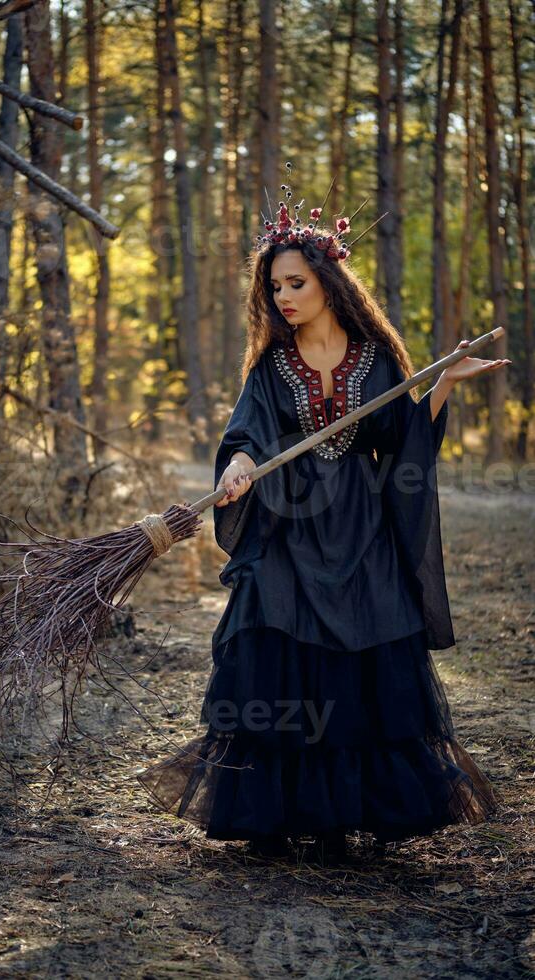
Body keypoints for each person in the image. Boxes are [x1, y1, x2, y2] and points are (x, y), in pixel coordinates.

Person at [137, 166, 507, 861]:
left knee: (362, 658)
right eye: (274, 287)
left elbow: (400, 442)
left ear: (330, 283)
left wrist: (442, 385)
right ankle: (279, 812)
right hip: (288, 530)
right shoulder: (271, 368)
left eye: (294, 284)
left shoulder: (376, 360)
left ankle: (349, 812)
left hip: (361, 532)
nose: (283, 297)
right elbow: (244, 435)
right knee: (285, 654)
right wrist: (241, 467)